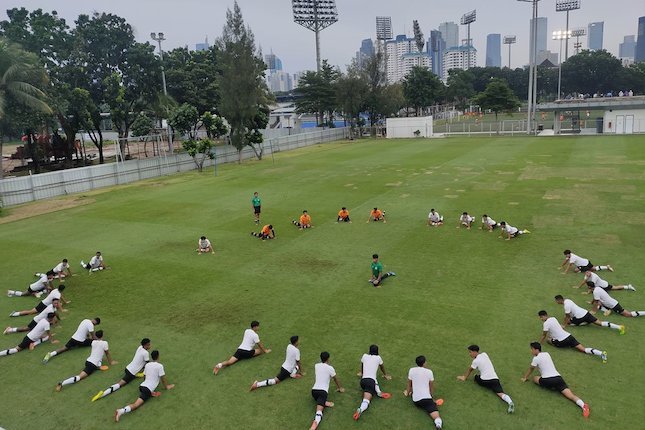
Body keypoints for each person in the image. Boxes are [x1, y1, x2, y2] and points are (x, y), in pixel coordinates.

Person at [521, 342, 590, 417]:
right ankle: (583, 405)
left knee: (534, 378)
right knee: (571, 395)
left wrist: (525, 377)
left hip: (548, 380)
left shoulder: (536, 358)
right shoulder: (547, 354)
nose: (531, 351)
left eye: (532, 349)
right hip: (559, 378)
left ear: (536, 350)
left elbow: (531, 369)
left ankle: (552, 387)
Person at [114, 350, 174, 422]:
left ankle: (150, 393)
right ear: (158, 356)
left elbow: (145, 376)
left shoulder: (147, 365)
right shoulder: (160, 366)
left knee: (143, 397)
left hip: (142, 386)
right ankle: (120, 411)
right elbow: (163, 379)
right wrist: (167, 386)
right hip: (147, 389)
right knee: (136, 405)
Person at [456, 345, 515, 413]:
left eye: (470, 352)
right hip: (495, 379)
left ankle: (484, 382)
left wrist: (464, 377)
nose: (469, 354)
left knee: (476, 377)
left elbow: (470, 369)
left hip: (485, 381)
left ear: (475, 352)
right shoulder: (484, 354)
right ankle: (510, 402)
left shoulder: (475, 361)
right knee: (500, 393)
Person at [537, 310, 607, 362]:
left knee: (548, 340)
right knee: (584, 349)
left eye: (541, 317)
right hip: (569, 336)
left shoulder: (545, 324)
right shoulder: (553, 318)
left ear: (543, 316)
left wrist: (539, 343)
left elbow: (544, 335)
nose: (541, 319)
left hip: (562, 341)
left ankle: (565, 344)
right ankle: (601, 353)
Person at [353, 344, 392, 421]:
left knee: (373, 379)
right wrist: (385, 375)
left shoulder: (364, 356)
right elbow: (382, 367)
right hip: (370, 382)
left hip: (363, 381)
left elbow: (362, 365)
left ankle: (379, 392)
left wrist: (361, 372)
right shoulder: (378, 358)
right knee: (366, 400)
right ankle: (360, 409)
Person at [405, 355, 444, 429]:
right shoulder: (429, 372)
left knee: (425, 405)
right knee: (436, 416)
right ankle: (438, 425)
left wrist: (407, 392)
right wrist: (432, 398)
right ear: (424, 363)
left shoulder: (411, 370)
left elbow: (409, 383)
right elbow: (431, 387)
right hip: (427, 399)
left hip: (416, 400)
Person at [309, 351, 344, 430]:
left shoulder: (316, 365)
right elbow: (335, 379)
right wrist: (340, 388)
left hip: (314, 391)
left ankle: (324, 402)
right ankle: (315, 423)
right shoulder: (330, 368)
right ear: (328, 358)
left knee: (320, 401)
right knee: (319, 410)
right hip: (322, 392)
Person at [554, 295, 624, 334]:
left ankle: (584, 322)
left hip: (580, 317)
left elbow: (567, 317)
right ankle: (619, 327)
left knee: (569, 322)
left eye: (556, 301)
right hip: (586, 313)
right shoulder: (568, 300)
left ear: (559, 300)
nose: (556, 302)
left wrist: (564, 325)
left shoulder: (566, 306)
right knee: (600, 323)